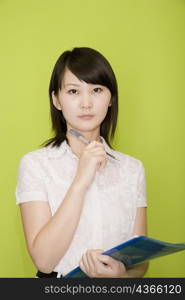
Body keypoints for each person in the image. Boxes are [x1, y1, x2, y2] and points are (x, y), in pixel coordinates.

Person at [15, 47, 149, 278]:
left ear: (111, 99)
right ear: (56, 99)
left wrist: (122, 278)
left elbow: (139, 261)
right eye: (74, 91)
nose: (86, 103)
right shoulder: (35, 165)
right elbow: (44, 261)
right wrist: (81, 180)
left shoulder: (132, 169)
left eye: (96, 90)